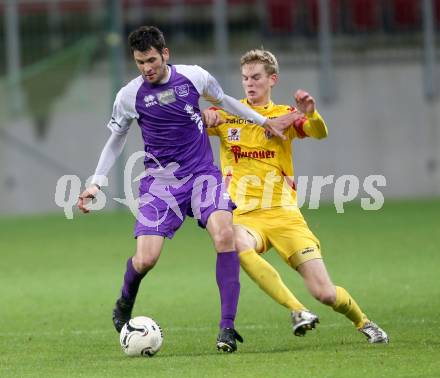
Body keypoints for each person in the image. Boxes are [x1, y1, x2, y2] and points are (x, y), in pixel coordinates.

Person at [76, 27, 297, 353]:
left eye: (151, 60)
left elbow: (226, 103)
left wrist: (264, 123)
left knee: (224, 236)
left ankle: (227, 327)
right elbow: (116, 139)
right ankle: (124, 303)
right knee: (146, 259)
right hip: (161, 184)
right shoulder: (128, 95)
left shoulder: (195, 77)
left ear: (165, 54)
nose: (146, 67)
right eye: (140, 62)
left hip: (202, 175)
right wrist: (96, 180)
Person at [203, 49, 389, 344]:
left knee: (325, 292)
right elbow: (191, 127)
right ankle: (297, 310)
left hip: (284, 215)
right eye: (245, 78)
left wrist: (311, 113)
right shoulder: (229, 114)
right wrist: (204, 117)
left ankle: (364, 322)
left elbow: (318, 132)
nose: (249, 84)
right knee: (234, 242)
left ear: (272, 79)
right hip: (244, 214)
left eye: (256, 77)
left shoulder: (284, 116)